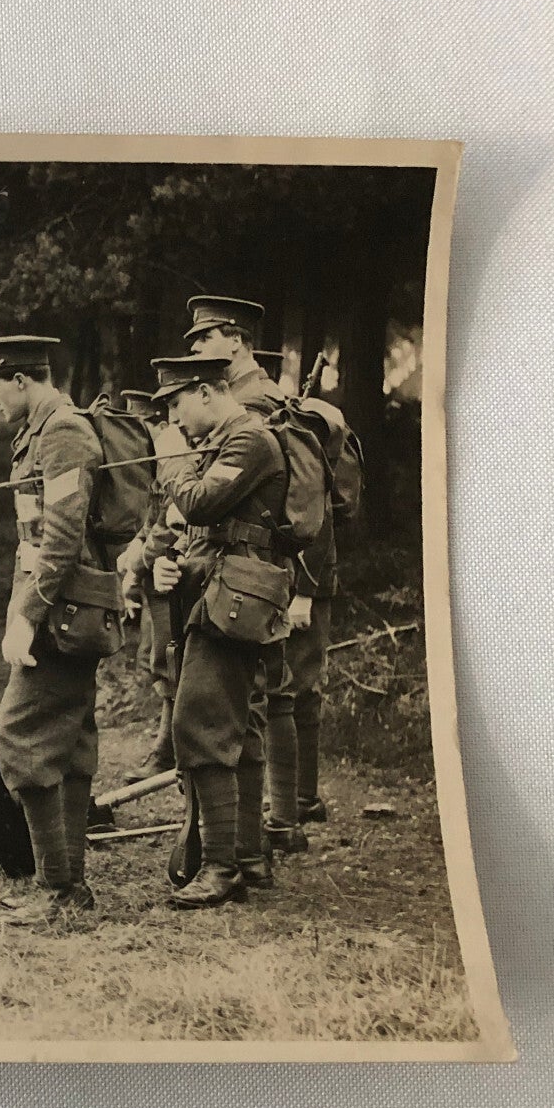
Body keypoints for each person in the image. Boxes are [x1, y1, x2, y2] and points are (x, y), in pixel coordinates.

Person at [148, 342, 293, 908]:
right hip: (218, 593)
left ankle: (222, 866)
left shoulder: (249, 438)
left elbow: (201, 503)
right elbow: (203, 528)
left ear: (206, 391)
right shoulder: (220, 442)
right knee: (237, 727)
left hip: (233, 602)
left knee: (200, 723)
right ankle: (250, 857)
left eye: (177, 403)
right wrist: (170, 562)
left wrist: (170, 459)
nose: (173, 418)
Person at [0, 335, 109, 916]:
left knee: (20, 736)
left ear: (22, 380)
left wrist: (28, 617)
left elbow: (60, 538)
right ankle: (69, 887)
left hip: (65, 611)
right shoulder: (38, 431)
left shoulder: (63, 432)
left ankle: (57, 888)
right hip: (61, 604)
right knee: (72, 744)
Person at [255, 348, 341, 847]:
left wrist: (306, 593)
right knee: (293, 688)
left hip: (307, 578)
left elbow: (318, 517)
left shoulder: (293, 426)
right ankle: (300, 799)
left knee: (295, 688)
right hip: (293, 577)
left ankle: (295, 805)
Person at [114, 389, 176, 782]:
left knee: (170, 662)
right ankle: (166, 747)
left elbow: (169, 525)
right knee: (157, 658)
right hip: (156, 573)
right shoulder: (155, 465)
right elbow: (150, 520)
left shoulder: (174, 460)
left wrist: (137, 562)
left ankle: (167, 751)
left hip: (174, 573)